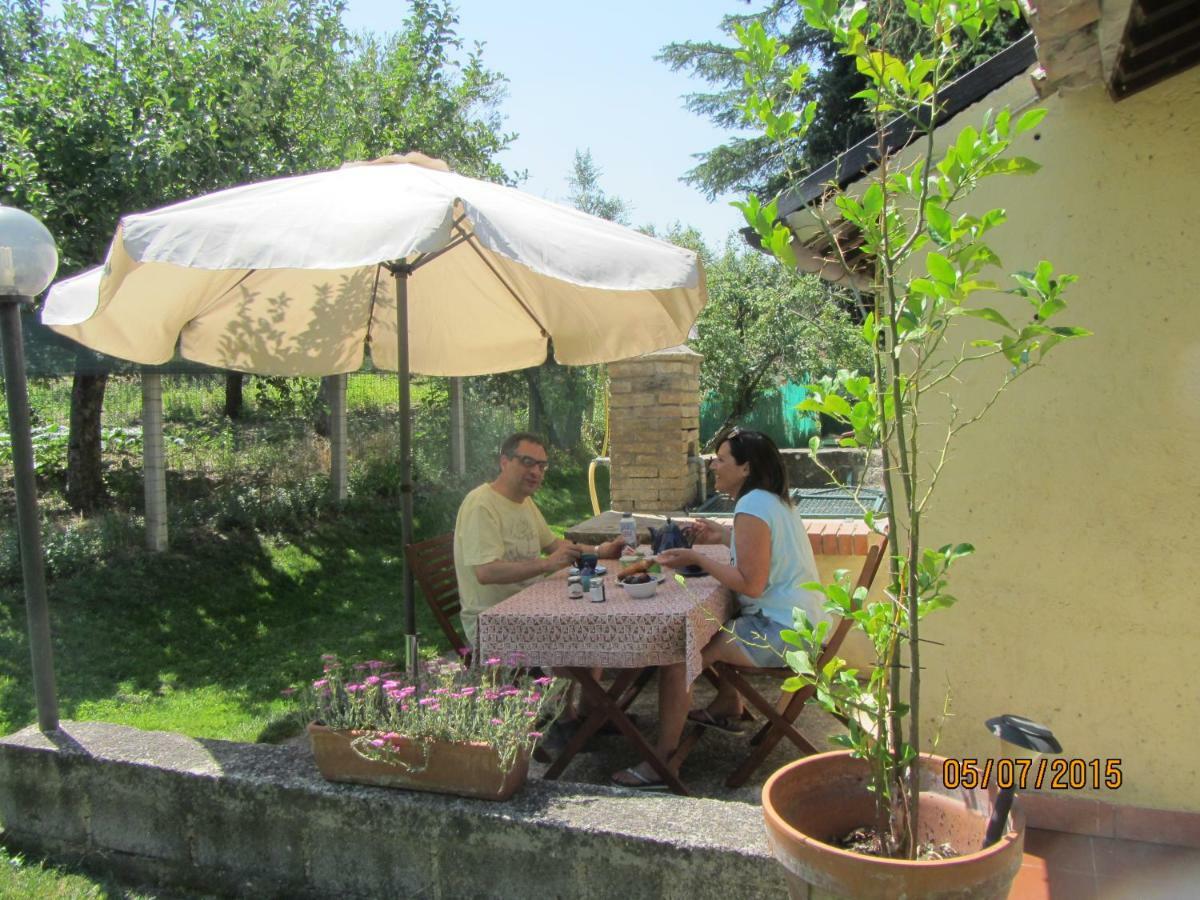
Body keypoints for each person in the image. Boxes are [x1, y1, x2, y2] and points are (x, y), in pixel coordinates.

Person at [611, 428, 824, 790]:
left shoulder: (752, 506)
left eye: (721, 459)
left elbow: (750, 584)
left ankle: (662, 763)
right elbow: (765, 555)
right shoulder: (771, 501)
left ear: (745, 467)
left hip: (782, 635)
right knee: (714, 621)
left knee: (679, 655)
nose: (713, 466)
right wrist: (723, 537)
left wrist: (695, 557)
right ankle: (728, 703)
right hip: (803, 624)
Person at [453, 432, 626, 647]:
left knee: (600, 618)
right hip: (495, 621)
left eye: (541, 466)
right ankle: (574, 679)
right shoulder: (481, 505)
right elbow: (486, 572)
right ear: (504, 462)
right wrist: (547, 563)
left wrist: (601, 550)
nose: (535, 472)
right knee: (597, 629)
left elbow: (554, 545)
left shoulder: (523, 501)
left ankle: (575, 680)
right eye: (527, 462)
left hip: (532, 604)